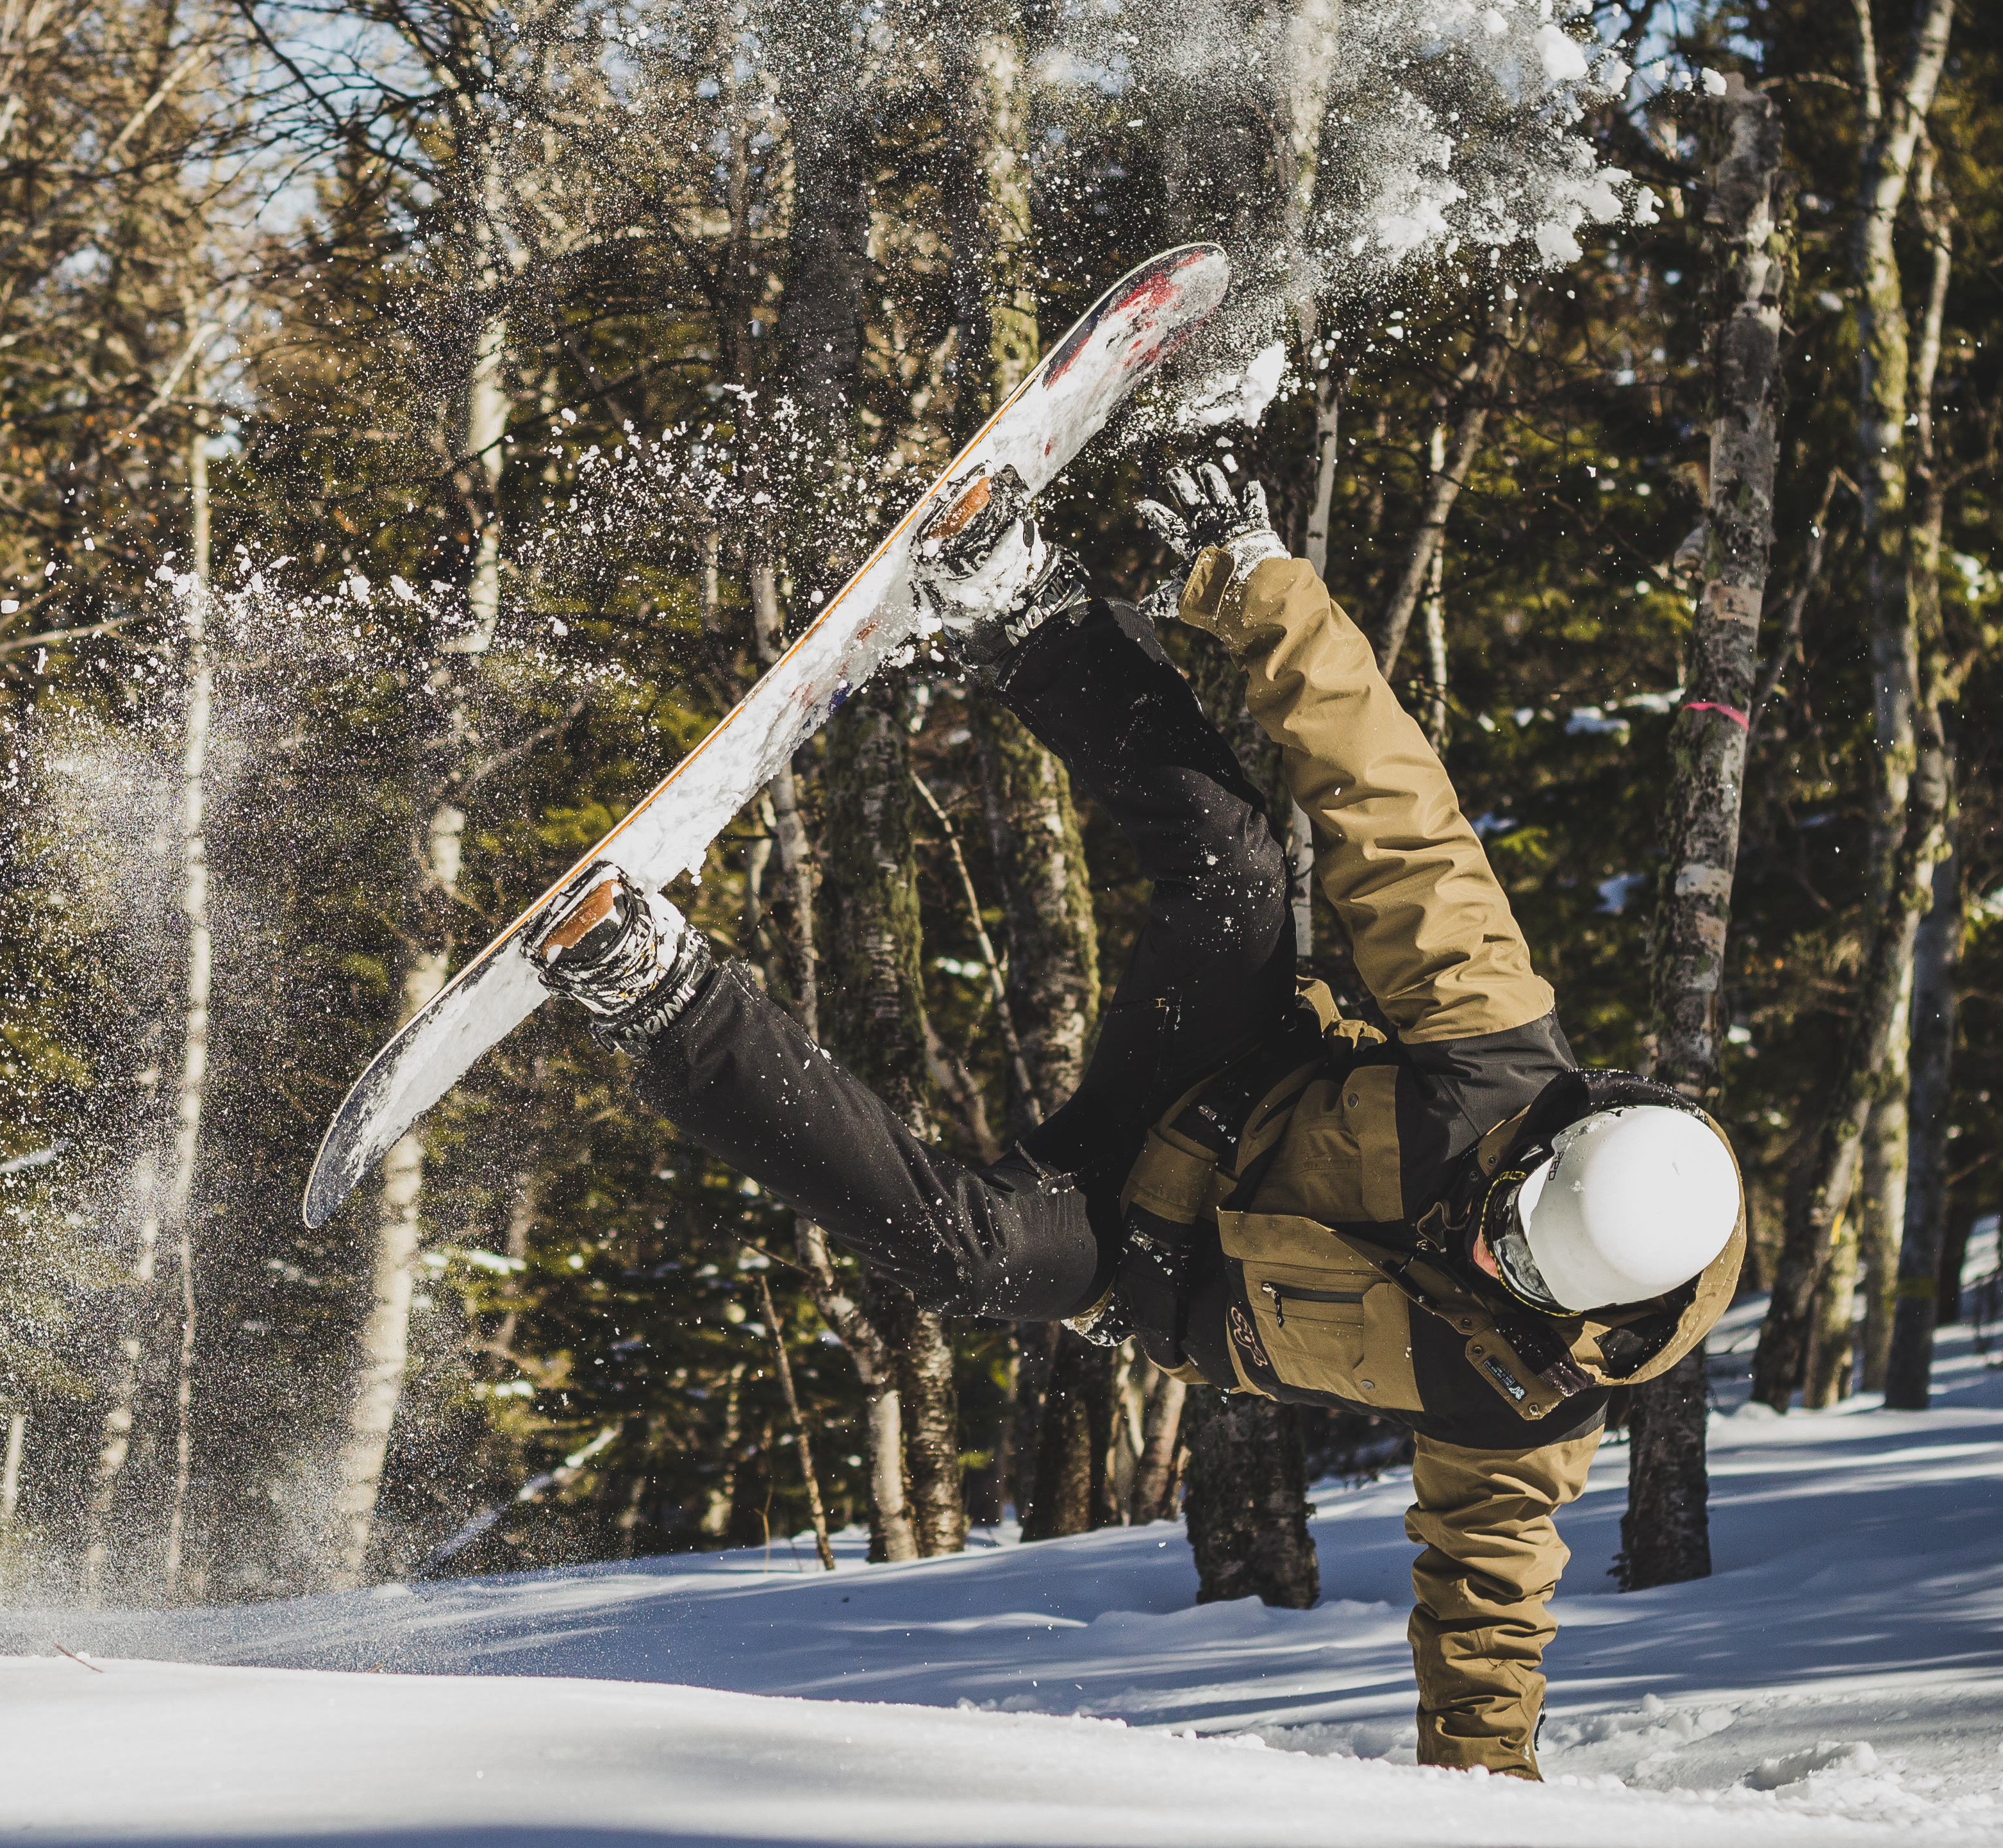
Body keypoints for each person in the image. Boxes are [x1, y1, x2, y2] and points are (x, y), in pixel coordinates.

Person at [522, 442, 1747, 1781]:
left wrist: (1488, 1803)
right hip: (1223, 1068)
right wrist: (1257, 582)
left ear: (1582, 1309)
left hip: (1142, 1256)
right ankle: (1027, 610)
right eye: (1503, 1215)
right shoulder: (1498, 1053)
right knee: (1236, 863)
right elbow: (1392, 808)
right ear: (1556, 1145)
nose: (1480, 1248)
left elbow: (1487, 1618)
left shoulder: (1524, 1406)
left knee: (972, 1253)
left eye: (1514, 1270)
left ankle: (662, 997)